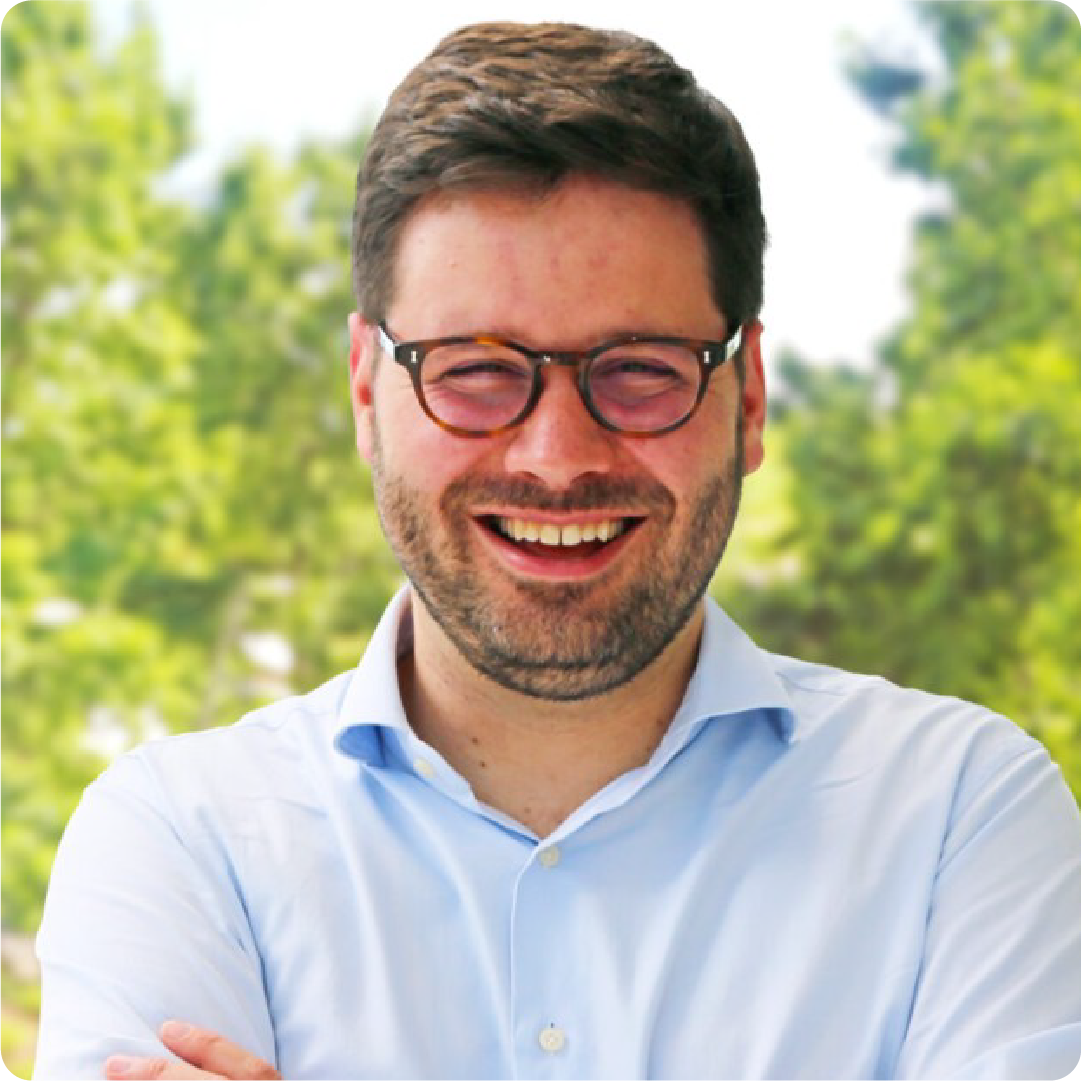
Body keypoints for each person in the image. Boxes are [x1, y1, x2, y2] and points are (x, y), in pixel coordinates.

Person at [31, 21, 1081, 1081]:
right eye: (474, 370)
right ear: (365, 392)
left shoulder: (961, 817)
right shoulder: (178, 841)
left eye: (641, 369)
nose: (557, 456)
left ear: (749, 397)